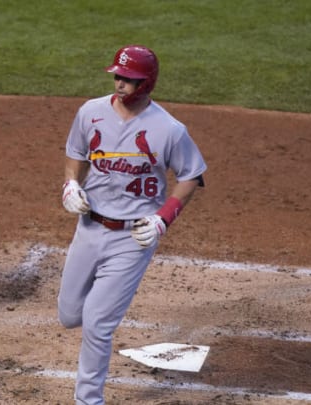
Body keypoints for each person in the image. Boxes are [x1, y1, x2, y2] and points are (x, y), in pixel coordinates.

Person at [58, 45, 207, 404]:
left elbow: (192, 176)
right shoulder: (90, 112)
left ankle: (88, 400)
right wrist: (70, 184)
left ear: (146, 83)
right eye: (118, 76)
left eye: (129, 78)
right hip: (89, 227)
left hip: (133, 238)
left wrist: (163, 217)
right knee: (69, 315)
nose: (121, 83)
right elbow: (75, 154)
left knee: (97, 323)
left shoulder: (169, 129)